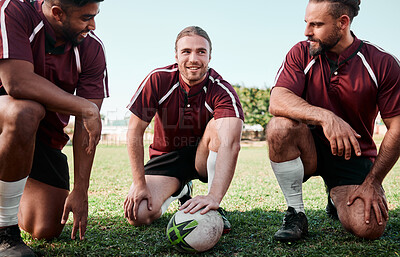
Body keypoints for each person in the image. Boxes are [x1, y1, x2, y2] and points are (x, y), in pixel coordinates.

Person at [267, 0, 400, 242]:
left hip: (352, 156)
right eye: (307, 23)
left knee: (369, 228)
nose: (307, 32)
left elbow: (397, 127)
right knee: (278, 126)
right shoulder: (301, 51)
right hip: (308, 149)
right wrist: (326, 117)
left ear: (343, 23)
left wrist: (373, 182)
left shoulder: (381, 62)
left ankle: (336, 197)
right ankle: (295, 212)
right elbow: (277, 100)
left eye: (316, 25)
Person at [0, 0, 108, 255]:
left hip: (43, 139)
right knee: (25, 112)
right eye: (85, 18)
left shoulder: (92, 48)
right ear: (57, 14)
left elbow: (87, 127)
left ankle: (12, 179)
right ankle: (5, 233)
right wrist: (85, 107)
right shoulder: (14, 10)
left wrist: (81, 189)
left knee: (45, 227)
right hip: (6, 120)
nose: (92, 25)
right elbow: (17, 82)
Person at [124, 26, 243, 234]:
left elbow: (230, 143)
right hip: (167, 156)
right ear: (176, 55)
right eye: (186, 51)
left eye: (201, 52)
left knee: (219, 125)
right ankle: (182, 189)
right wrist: (139, 182)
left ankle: (211, 205)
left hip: (202, 158)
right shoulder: (158, 79)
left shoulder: (221, 90)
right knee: (139, 215)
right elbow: (134, 131)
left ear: (210, 56)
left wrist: (214, 197)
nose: (193, 59)